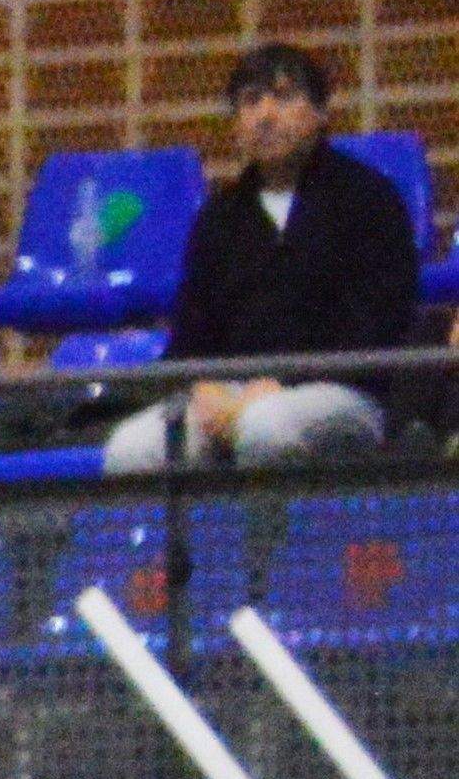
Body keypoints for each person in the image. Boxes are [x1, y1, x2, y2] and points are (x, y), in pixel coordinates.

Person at [110, 44, 422, 473]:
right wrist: (200, 389)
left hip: (344, 391)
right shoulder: (220, 217)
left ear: (320, 114)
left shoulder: (369, 200)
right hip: (232, 395)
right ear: (236, 124)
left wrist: (281, 385)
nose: (266, 114)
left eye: (285, 97)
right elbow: (191, 336)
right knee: (133, 449)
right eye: (251, 101)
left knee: (265, 426)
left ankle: (274, 542)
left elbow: (379, 327)